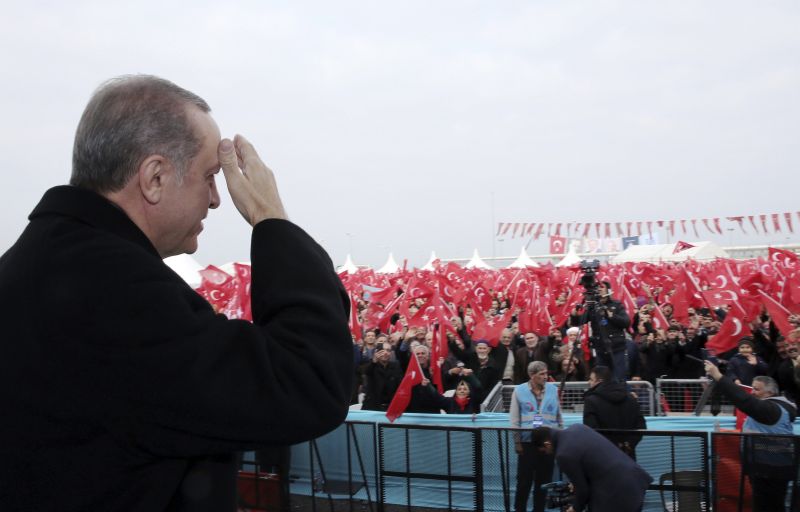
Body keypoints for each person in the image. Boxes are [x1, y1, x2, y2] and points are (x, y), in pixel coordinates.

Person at [0, 75, 352, 511]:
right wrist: (270, 218)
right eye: (209, 176)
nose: (216, 199)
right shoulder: (115, 292)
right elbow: (308, 382)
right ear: (155, 177)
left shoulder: (34, 262)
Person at [705, 361, 798, 512]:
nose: (752, 392)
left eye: (757, 389)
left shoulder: (770, 409)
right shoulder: (776, 409)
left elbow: (743, 400)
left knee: (767, 507)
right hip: (770, 467)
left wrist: (718, 376)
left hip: (769, 470)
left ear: (770, 392)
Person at [531, 424, 653, 512]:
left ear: (547, 444)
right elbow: (594, 461)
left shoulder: (563, 454)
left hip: (616, 495)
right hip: (635, 479)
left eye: (544, 451)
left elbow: (583, 491)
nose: (547, 454)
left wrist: (575, 508)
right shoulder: (578, 427)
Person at [510, 361, 563, 512]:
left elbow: (559, 416)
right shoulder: (519, 391)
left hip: (547, 442)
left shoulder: (553, 390)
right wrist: (517, 442)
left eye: (546, 373)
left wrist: (557, 440)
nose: (546, 377)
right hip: (527, 442)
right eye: (542, 374)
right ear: (531, 375)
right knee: (524, 482)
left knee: (543, 481)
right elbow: (514, 419)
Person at [582, 366, 646, 459]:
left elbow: (591, 430)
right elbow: (641, 426)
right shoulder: (631, 398)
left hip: (603, 457)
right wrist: (628, 444)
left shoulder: (591, 401)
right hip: (628, 455)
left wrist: (612, 446)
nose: (589, 382)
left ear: (599, 381)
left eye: (591, 379)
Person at [572, 281, 631, 382]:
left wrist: (612, 316)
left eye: (602, 287)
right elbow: (580, 321)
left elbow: (626, 322)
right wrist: (574, 315)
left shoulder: (616, 305)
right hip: (600, 349)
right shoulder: (592, 307)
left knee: (618, 378)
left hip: (616, 348)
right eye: (597, 288)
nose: (599, 289)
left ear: (608, 290)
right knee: (601, 379)